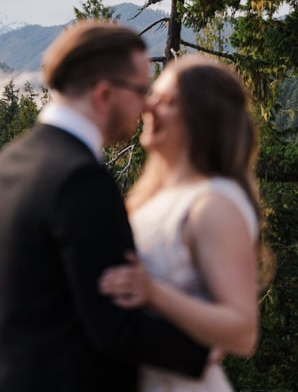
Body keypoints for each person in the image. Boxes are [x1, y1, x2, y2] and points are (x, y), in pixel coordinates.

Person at [0, 20, 209, 392]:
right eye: (141, 90)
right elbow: (114, 329)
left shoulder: (8, 163)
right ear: (104, 93)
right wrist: (206, 346)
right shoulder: (80, 180)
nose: (146, 105)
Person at [99, 54, 272, 391]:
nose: (148, 108)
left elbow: (242, 332)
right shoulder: (151, 197)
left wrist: (153, 292)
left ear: (202, 118)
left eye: (166, 102)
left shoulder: (214, 203)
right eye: (152, 96)